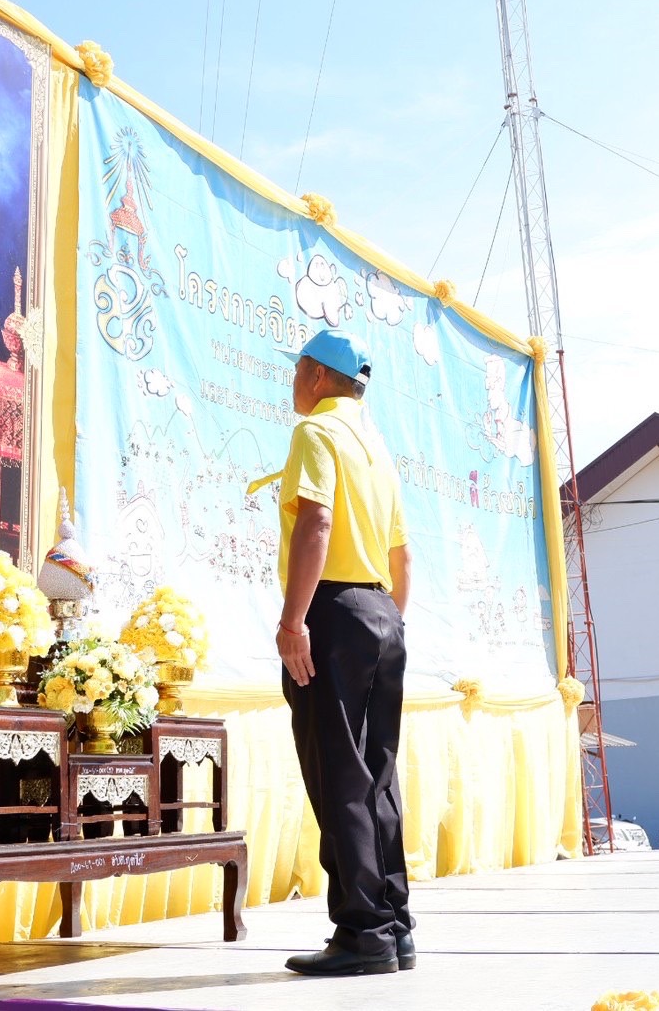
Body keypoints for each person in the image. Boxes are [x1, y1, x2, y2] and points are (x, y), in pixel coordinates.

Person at [274, 329, 413, 976]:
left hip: (332, 611)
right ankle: (395, 926)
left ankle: (363, 934)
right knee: (378, 775)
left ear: (316, 375)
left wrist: (294, 621)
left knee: (340, 777)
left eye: (297, 370)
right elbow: (402, 556)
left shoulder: (316, 433)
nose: (294, 382)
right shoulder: (377, 449)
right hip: (383, 613)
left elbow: (317, 521)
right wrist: (385, 623)